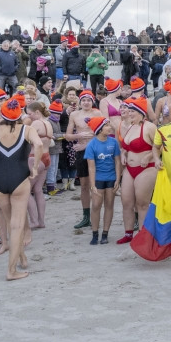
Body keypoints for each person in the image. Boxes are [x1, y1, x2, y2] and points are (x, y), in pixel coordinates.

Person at [0, 98, 46, 280]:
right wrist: (34, 166)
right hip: (19, 178)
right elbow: (39, 145)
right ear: (19, 114)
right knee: (18, 225)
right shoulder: (27, 129)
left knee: (9, 219)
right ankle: (11, 270)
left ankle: (21, 257)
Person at [114, 97, 157, 244]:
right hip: (130, 168)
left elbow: (160, 147)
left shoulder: (149, 127)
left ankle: (143, 234)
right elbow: (125, 146)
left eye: (132, 111)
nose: (129, 113)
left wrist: (149, 156)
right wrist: (124, 154)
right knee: (126, 202)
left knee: (142, 203)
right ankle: (128, 233)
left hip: (146, 168)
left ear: (141, 113)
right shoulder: (130, 126)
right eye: (129, 110)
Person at [67, 89, 104, 229]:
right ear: (80, 101)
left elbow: (103, 134)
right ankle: (86, 216)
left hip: (95, 150)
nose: (86, 102)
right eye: (84, 100)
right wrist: (78, 137)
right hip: (81, 152)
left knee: (96, 185)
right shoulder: (75, 115)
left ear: (92, 101)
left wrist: (86, 145)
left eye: (89, 100)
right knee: (84, 185)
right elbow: (68, 135)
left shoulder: (97, 113)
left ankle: (96, 215)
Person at [83, 116, 121, 245]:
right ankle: (94, 233)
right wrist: (92, 185)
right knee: (96, 205)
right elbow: (91, 167)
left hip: (111, 178)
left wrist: (118, 179)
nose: (110, 127)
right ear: (99, 129)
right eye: (106, 126)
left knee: (109, 205)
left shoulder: (113, 142)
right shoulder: (91, 145)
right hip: (98, 179)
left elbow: (117, 161)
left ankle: (105, 233)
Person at [25, 101, 53, 230]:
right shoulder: (48, 123)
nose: (28, 116)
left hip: (35, 158)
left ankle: (34, 220)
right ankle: (41, 221)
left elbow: (25, 138)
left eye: (29, 113)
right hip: (46, 158)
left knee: (25, 191)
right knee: (38, 190)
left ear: (37, 112)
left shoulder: (36, 123)